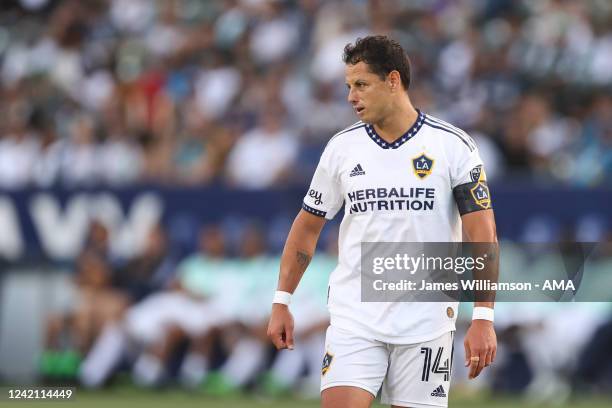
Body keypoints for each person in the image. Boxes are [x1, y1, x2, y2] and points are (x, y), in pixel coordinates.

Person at [267, 35, 498, 408]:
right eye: (348, 86)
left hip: (428, 320)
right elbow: (307, 227)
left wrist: (484, 316)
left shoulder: (453, 146)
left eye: (361, 85)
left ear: (393, 81)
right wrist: (282, 300)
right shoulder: (342, 149)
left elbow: (482, 233)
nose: (351, 96)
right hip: (354, 316)